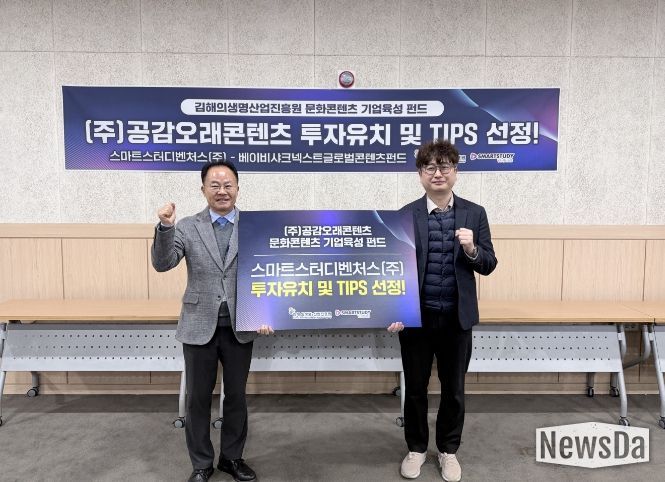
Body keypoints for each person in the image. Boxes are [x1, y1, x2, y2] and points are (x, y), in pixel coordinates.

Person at [152, 160, 272, 482]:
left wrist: (268, 311)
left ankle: (231, 459)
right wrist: (165, 227)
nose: (222, 191)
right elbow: (163, 263)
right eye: (214, 185)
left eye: (228, 185)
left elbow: (269, 273)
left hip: (240, 324)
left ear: (237, 188)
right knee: (197, 399)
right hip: (198, 324)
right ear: (203, 189)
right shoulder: (187, 226)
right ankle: (201, 463)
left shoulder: (255, 226)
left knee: (236, 397)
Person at [389, 139, 497, 481]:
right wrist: (393, 309)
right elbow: (394, 270)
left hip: (456, 319)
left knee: (454, 389)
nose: (438, 173)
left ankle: (448, 451)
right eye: (430, 167)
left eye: (444, 166)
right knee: (415, 388)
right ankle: (416, 449)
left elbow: (489, 264)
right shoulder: (406, 214)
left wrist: (472, 248)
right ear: (420, 174)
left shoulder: (475, 213)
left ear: (456, 171)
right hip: (416, 320)